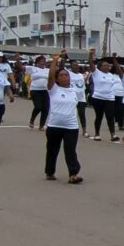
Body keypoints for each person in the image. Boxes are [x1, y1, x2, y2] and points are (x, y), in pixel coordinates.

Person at [43, 52, 83, 184]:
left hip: (71, 127)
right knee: (52, 150)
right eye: (61, 75)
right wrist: (55, 61)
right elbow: (50, 76)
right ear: (57, 79)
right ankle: (50, 171)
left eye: (66, 75)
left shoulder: (74, 91)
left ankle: (73, 173)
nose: (65, 77)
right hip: (54, 126)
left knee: (70, 151)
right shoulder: (53, 89)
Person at [86, 49, 119, 142]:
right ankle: (97, 134)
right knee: (99, 116)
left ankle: (113, 135)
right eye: (104, 65)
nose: (107, 67)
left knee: (110, 116)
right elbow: (91, 64)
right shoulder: (96, 73)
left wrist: (114, 59)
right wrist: (91, 55)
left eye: (108, 65)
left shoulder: (111, 75)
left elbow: (117, 67)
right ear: (100, 67)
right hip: (98, 98)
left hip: (110, 98)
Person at [18, 53, 50, 131]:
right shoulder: (32, 68)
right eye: (41, 61)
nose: (43, 62)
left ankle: (41, 125)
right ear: (37, 62)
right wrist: (17, 59)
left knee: (45, 109)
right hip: (35, 90)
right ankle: (32, 120)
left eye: (44, 61)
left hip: (45, 91)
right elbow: (20, 67)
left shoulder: (48, 70)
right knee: (38, 107)